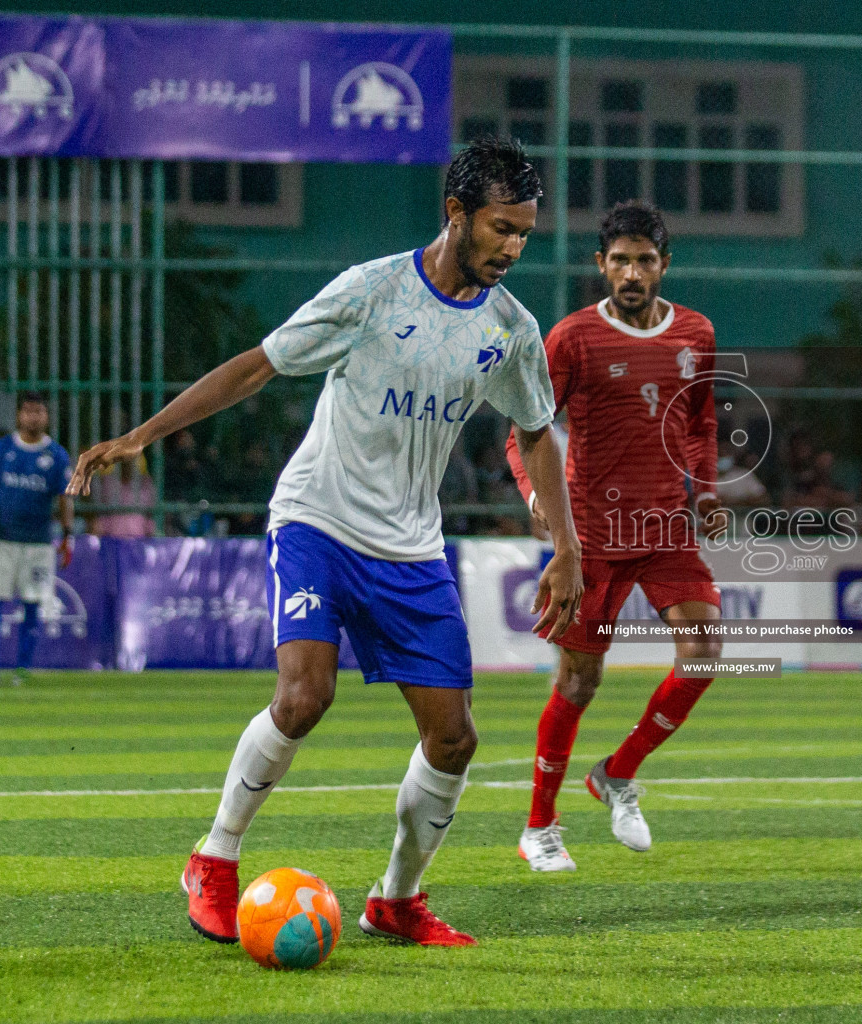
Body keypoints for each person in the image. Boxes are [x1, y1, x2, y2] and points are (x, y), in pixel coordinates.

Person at [67, 137, 583, 947]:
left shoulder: (512, 329)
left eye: (524, 232)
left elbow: (538, 431)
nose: (513, 247)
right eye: (500, 228)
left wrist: (566, 544)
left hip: (412, 548)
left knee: (454, 738)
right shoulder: (371, 292)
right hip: (320, 521)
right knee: (306, 695)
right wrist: (143, 434)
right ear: (455, 214)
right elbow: (257, 368)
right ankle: (215, 856)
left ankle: (396, 900)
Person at [504, 200, 724, 872]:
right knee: (579, 682)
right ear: (601, 265)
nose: (632, 272)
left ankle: (617, 773)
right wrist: (538, 493)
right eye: (620, 260)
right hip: (594, 535)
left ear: (663, 266)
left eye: (645, 260)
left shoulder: (695, 333)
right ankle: (540, 826)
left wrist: (707, 490)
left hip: (665, 529)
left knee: (705, 654)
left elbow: (701, 422)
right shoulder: (571, 339)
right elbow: (525, 432)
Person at [0, 392, 73, 685]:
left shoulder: (56, 456)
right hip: (2, 539)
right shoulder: (2, 450)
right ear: (19, 415)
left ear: (46, 416)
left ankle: (23, 668)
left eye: (39, 411)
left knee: (32, 603)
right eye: (28, 411)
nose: (33, 417)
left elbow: (64, 500)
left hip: (38, 542)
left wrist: (67, 536)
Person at [88, 455, 156, 539]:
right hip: (111, 539)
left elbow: (152, 515)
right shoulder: (107, 482)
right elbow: (97, 513)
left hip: (139, 539)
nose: (128, 463)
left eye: (131, 460)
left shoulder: (145, 483)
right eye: (125, 460)